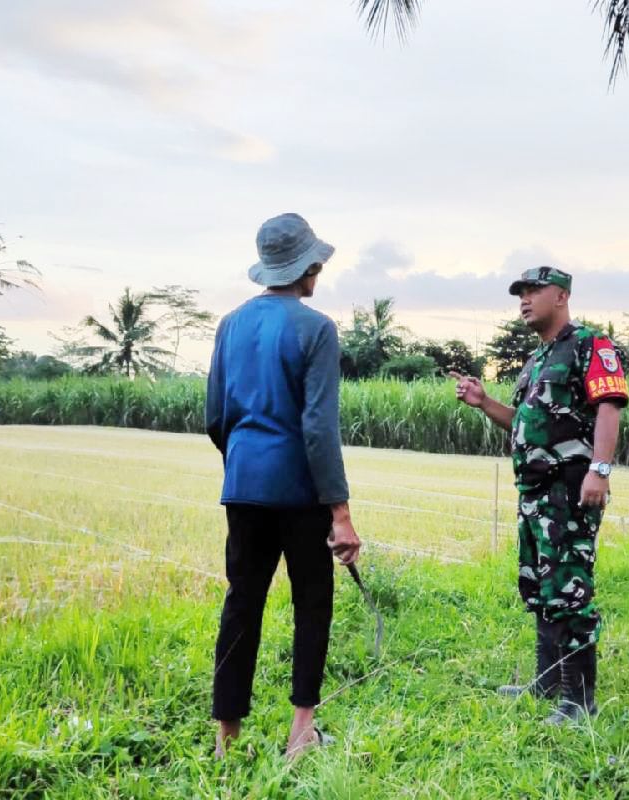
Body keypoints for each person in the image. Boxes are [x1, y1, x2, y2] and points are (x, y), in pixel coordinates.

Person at [205, 212, 361, 759]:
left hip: (242, 483)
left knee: (242, 602)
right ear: (309, 267)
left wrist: (246, 461)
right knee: (311, 602)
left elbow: (215, 417)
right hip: (299, 491)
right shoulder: (316, 329)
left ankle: (227, 739)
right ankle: (301, 733)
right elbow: (319, 427)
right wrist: (339, 512)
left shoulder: (229, 325)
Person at [451, 266, 628, 724]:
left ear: (562, 295)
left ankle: (579, 701)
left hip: (570, 489)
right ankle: (548, 682)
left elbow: (609, 405)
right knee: (542, 584)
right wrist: (484, 402)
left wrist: (600, 470)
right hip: (534, 492)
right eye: (520, 294)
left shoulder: (589, 343)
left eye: (534, 291)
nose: (524, 300)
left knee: (570, 589)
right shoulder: (537, 360)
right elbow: (524, 424)